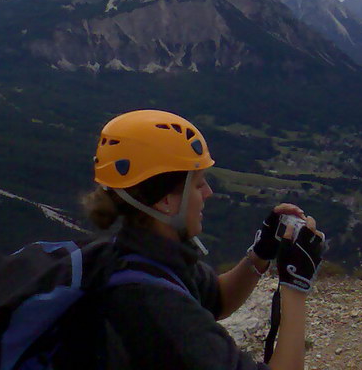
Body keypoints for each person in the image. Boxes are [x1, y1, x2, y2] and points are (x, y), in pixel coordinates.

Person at [85, 108, 325, 370]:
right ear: (166, 200)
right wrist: (295, 284)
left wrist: (261, 252)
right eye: (198, 184)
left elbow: (216, 299)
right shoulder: (160, 309)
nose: (209, 192)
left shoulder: (142, 254)